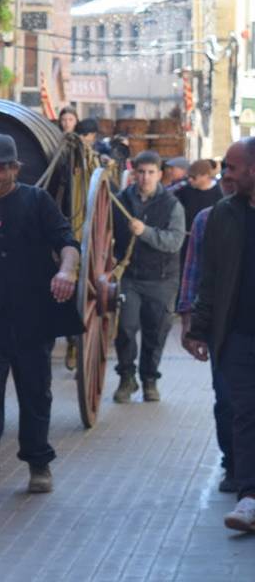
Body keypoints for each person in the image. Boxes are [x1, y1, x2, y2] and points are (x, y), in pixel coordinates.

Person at [0, 134, 82, 504]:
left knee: (35, 393)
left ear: (14, 169)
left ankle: (39, 465)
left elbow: (67, 243)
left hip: (33, 318)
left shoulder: (36, 202)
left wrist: (67, 273)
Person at [186, 138, 255, 531]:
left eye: (231, 167)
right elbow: (208, 280)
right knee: (244, 413)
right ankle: (249, 497)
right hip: (239, 335)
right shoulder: (221, 217)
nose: (224, 174)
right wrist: (198, 328)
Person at [177, 172, 237, 493]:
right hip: (224, 328)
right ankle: (232, 464)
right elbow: (194, 271)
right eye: (225, 176)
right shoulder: (207, 219)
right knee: (226, 397)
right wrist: (189, 324)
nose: (229, 183)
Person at [112, 150, 186, 403]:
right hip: (130, 276)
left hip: (162, 278)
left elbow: (175, 241)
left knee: (156, 332)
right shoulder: (120, 200)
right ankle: (126, 378)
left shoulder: (172, 205)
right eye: (141, 172)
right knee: (125, 329)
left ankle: (149, 380)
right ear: (134, 174)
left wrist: (145, 232)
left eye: (151, 173)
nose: (145, 177)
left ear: (160, 175)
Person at [175, 159, 224, 247]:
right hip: (186, 239)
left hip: (210, 240)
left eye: (194, 177)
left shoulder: (219, 194)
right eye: (188, 176)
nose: (190, 180)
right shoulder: (183, 191)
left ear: (206, 176)